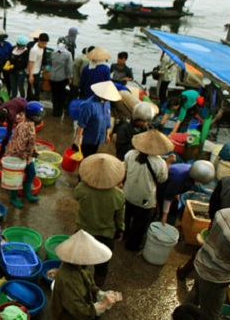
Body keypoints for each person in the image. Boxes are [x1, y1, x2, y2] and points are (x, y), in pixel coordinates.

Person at [184, 208, 230, 320]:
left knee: (195, 295)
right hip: (215, 279)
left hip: (201, 263)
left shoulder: (225, 212)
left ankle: (181, 315)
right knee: (211, 314)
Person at [74, 154, 126, 287]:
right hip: (106, 235)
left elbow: (75, 195)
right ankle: (96, 291)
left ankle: (79, 287)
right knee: (102, 267)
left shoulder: (83, 188)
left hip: (84, 232)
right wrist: (120, 230)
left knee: (80, 263)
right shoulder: (118, 195)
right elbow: (119, 218)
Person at [122, 129, 175, 251]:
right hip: (145, 198)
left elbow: (125, 170)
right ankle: (132, 245)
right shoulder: (160, 163)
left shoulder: (130, 154)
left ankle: (122, 235)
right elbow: (162, 180)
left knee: (126, 216)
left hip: (128, 193)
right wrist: (168, 163)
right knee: (139, 224)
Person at [51, 230, 121, 319]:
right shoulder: (68, 278)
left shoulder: (79, 266)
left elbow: (88, 283)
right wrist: (102, 305)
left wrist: (98, 292)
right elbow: (78, 309)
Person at [4, 101, 44, 208]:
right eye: (38, 116)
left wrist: (33, 151)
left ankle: (27, 194)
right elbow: (19, 146)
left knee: (31, 173)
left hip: (27, 156)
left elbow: (31, 141)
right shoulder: (24, 128)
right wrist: (27, 155)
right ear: (34, 117)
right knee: (16, 177)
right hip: (17, 156)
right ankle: (13, 198)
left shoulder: (30, 124)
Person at [158, 160, 215, 226]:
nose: (199, 183)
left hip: (173, 189)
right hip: (163, 188)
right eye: (199, 181)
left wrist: (177, 193)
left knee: (174, 209)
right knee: (163, 209)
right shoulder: (178, 178)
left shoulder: (193, 172)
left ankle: (170, 222)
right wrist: (164, 215)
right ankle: (161, 222)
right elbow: (168, 198)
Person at [75, 81, 121, 158]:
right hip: (88, 139)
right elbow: (81, 124)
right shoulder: (88, 105)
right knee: (84, 158)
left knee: (92, 155)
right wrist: (79, 138)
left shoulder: (107, 103)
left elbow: (107, 119)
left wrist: (107, 134)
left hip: (98, 137)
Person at [50, 37, 74, 117]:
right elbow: (69, 67)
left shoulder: (53, 53)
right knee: (61, 95)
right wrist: (69, 77)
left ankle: (54, 111)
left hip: (52, 77)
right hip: (62, 78)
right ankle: (59, 112)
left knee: (54, 94)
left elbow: (51, 64)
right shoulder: (68, 54)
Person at [27, 32, 49, 101]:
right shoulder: (34, 50)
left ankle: (35, 101)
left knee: (37, 89)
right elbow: (31, 62)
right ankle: (30, 102)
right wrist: (31, 75)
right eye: (43, 43)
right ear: (39, 41)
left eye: (45, 43)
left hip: (38, 71)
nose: (44, 45)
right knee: (32, 90)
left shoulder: (42, 48)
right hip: (33, 72)